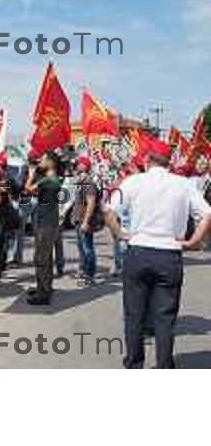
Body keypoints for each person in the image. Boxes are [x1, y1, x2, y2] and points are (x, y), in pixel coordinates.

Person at [106, 148, 211, 369]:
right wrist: (193, 241)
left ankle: (135, 364)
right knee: (165, 317)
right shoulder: (184, 184)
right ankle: (164, 366)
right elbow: (207, 213)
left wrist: (120, 234)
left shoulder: (133, 181)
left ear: (147, 160)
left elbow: (109, 210)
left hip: (139, 251)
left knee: (134, 314)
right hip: (169, 253)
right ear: (169, 162)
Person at [24, 152, 63, 305]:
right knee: (45, 257)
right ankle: (44, 287)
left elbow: (26, 191)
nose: (41, 160)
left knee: (41, 258)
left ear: (51, 163)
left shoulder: (49, 181)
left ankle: (43, 294)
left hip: (46, 224)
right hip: (47, 222)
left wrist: (31, 174)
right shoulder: (50, 180)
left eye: (44, 158)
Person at [71, 156, 100, 287]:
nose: (76, 165)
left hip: (84, 220)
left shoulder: (88, 183)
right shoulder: (80, 182)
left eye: (78, 163)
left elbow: (91, 203)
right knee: (82, 248)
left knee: (87, 248)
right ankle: (83, 271)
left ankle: (90, 275)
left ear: (84, 166)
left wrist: (86, 221)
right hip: (78, 220)